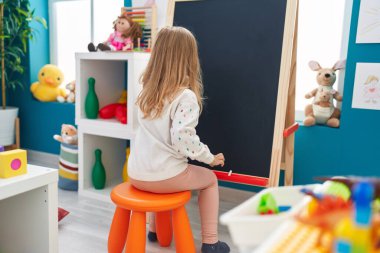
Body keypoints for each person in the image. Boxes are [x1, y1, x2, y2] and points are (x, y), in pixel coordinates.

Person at [128, 26, 230, 253]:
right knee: (210, 180)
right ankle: (211, 242)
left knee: (162, 169)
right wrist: (209, 158)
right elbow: (183, 139)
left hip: (136, 173)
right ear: (189, 58)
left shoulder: (147, 90)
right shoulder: (185, 96)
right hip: (164, 176)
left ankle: (154, 230)